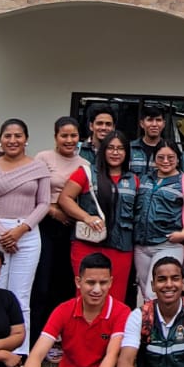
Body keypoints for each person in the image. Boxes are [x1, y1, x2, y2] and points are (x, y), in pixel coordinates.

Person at [0, 119, 51, 353]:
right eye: (8, 136)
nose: (13, 140)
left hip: (26, 233)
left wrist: (20, 230)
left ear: (26, 139)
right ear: (0, 139)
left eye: (18, 136)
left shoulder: (38, 167)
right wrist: (1, 233)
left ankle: (19, 351)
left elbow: (44, 203)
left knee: (21, 294)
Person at [60, 130, 140, 305]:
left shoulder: (133, 179)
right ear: (103, 150)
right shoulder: (86, 173)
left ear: (127, 152)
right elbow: (65, 199)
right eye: (110, 148)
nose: (115, 152)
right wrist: (86, 217)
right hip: (87, 243)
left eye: (120, 148)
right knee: (86, 295)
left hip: (121, 247)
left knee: (116, 297)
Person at [35, 116, 91, 326]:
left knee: (66, 280)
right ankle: (38, 330)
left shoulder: (85, 164)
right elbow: (33, 191)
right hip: (45, 223)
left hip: (72, 227)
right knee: (42, 281)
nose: (69, 140)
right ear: (55, 137)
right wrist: (52, 210)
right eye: (64, 135)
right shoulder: (43, 158)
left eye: (73, 136)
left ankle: (60, 330)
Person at [131, 142, 184, 303]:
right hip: (141, 245)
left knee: (155, 291)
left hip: (168, 244)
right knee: (145, 292)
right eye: (161, 157)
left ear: (178, 159)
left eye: (170, 157)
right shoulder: (145, 178)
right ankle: (151, 320)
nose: (166, 161)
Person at [128, 104, 168, 177]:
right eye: (150, 120)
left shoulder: (169, 150)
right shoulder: (130, 148)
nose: (154, 124)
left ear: (163, 124)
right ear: (142, 123)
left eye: (158, 120)